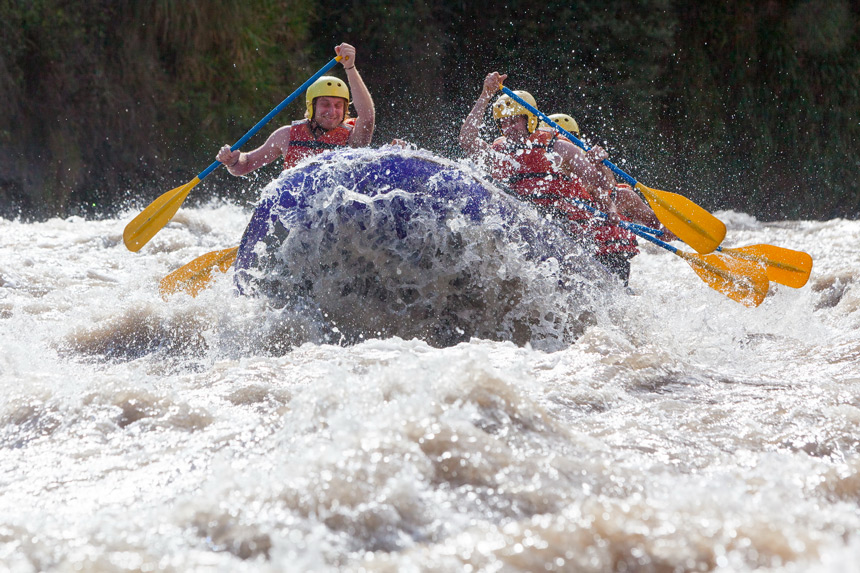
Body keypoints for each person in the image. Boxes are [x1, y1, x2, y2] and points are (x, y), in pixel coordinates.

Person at [538, 113, 678, 283]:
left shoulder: (621, 197)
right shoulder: (547, 196)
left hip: (611, 274)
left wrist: (667, 228)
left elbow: (655, 223)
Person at [216, 43, 375, 175]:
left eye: (338, 105)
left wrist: (350, 68)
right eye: (325, 104)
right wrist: (233, 161)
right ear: (311, 106)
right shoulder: (286, 135)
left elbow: (367, 117)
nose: (332, 112)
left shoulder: (352, 138)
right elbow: (245, 165)